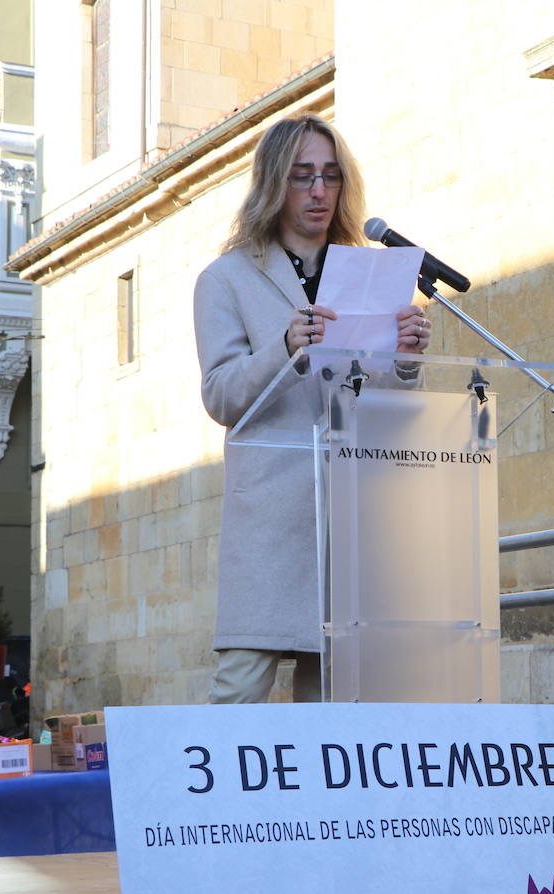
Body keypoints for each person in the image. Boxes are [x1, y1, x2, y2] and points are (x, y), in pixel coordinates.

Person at [193, 113, 431, 704]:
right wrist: (286, 347)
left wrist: (404, 360)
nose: (320, 191)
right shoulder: (226, 279)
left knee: (332, 705)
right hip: (272, 516)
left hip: (350, 514)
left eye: (330, 176)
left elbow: (378, 406)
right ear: (274, 183)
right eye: (303, 176)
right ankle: (218, 802)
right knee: (240, 693)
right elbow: (220, 396)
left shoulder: (367, 274)